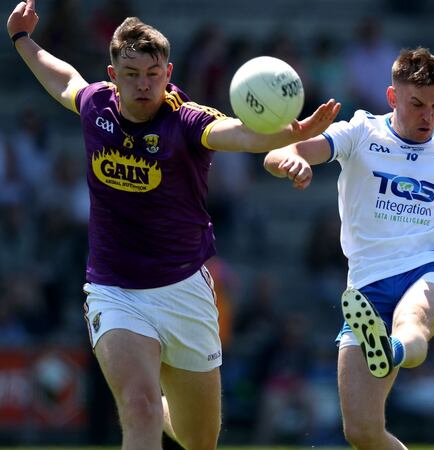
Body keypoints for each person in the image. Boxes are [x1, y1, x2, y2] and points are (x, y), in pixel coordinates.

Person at [7, 1, 340, 449]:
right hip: (114, 290)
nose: (143, 84)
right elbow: (65, 80)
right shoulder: (97, 106)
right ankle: (149, 407)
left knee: (198, 438)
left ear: (168, 73)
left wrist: (293, 134)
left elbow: (240, 134)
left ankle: (170, 413)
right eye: (131, 74)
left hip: (183, 291)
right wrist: (22, 40)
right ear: (113, 75)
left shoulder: (186, 119)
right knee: (139, 407)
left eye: (152, 73)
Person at [264, 47, 434, 449]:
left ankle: (391, 347)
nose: (428, 116)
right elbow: (282, 151)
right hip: (366, 288)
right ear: (393, 97)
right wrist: (291, 162)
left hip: (431, 270)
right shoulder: (360, 132)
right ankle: (385, 342)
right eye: (417, 105)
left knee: (411, 320)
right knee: (361, 431)